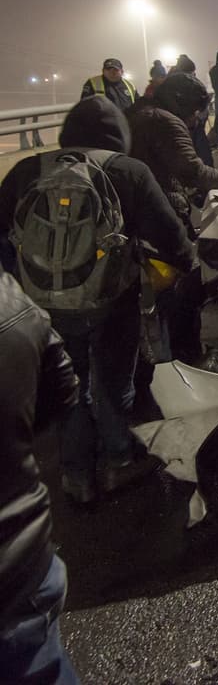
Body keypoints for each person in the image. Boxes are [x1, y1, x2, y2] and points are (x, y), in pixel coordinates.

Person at [0, 97, 195, 503]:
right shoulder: (128, 171)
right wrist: (184, 265)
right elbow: (170, 236)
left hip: (43, 304)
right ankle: (118, 460)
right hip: (110, 300)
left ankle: (75, 475)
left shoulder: (26, 170)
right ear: (117, 134)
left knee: (69, 381)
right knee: (110, 380)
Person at [0, 273, 80, 685]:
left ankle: (82, 473)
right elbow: (61, 392)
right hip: (19, 565)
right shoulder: (10, 300)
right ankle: (112, 456)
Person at [129, 72, 218, 233]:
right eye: (195, 109)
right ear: (182, 102)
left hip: (136, 205)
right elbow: (193, 172)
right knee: (184, 255)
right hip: (159, 210)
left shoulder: (139, 111)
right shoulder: (165, 122)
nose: (196, 116)